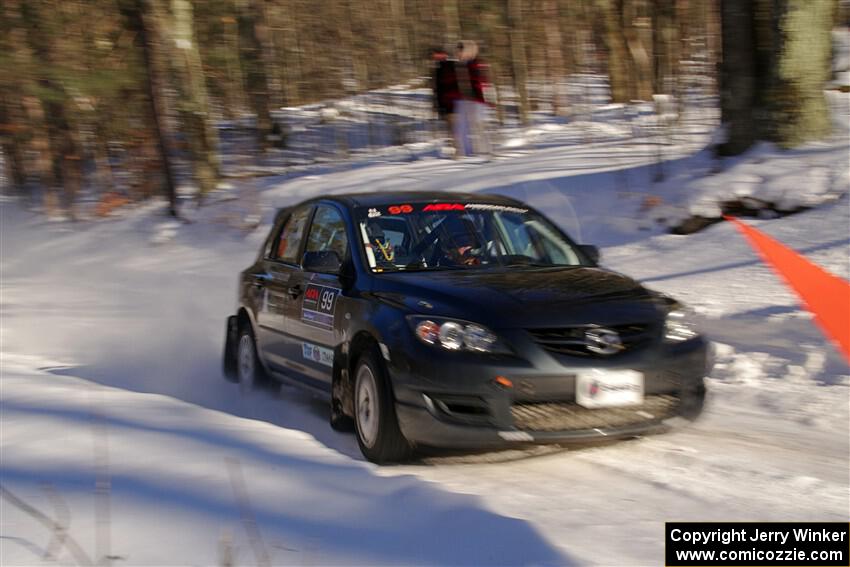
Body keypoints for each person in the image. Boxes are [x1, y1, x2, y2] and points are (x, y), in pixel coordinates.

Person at [453, 40, 492, 157]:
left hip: (476, 100)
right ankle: (465, 153)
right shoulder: (461, 65)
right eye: (458, 51)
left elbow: (484, 82)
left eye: (460, 51)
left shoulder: (476, 64)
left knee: (478, 125)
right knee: (461, 127)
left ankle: (486, 150)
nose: (458, 54)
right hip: (462, 100)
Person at [429, 47, 461, 156]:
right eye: (434, 56)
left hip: (452, 103)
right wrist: (436, 105)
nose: (434, 57)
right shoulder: (438, 68)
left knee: (455, 128)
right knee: (451, 129)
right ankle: (457, 150)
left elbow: (451, 85)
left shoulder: (450, 66)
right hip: (446, 104)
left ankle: (459, 151)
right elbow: (437, 89)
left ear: (443, 55)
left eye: (436, 55)